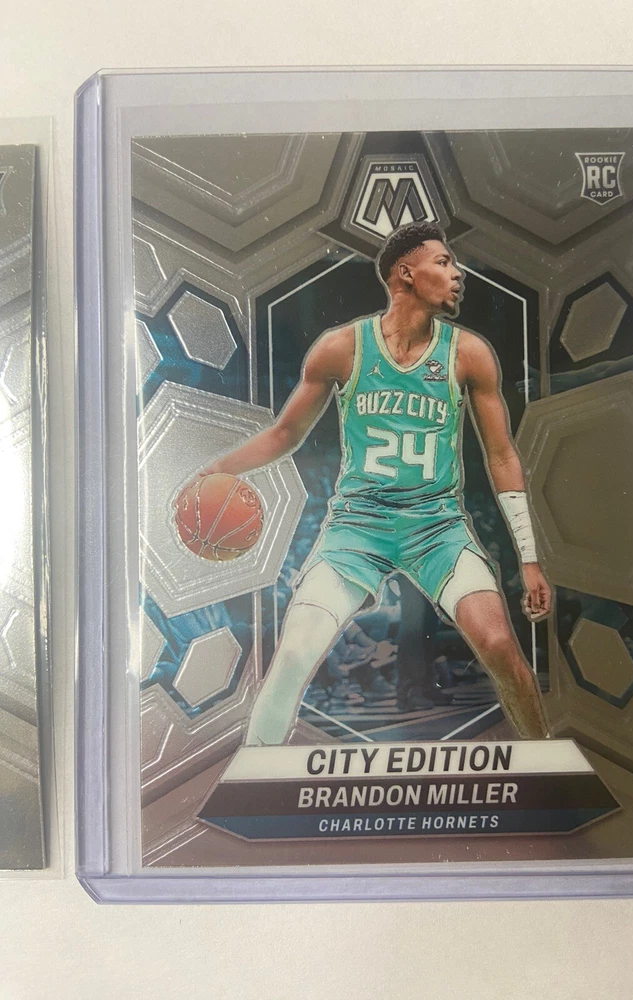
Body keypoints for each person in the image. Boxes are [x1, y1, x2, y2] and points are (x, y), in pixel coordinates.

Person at [199, 222, 552, 742]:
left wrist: (530, 559)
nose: (457, 274)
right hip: (358, 530)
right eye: (443, 263)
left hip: (438, 528)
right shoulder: (341, 348)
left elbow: (501, 456)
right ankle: (252, 771)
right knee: (293, 654)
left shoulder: (468, 353)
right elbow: (285, 434)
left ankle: (548, 763)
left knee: (501, 646)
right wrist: (219, 469)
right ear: (405, 273)